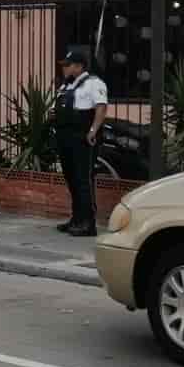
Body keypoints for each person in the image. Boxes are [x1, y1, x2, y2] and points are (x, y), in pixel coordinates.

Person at [55, 45, 108, 236]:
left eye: (68, 65)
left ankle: (88, 223)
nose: (64, 68)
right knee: (71, 178)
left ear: (79, 66)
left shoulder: (94, 83)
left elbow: (101, 108)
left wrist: (93, 130)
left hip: (82, 136)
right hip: (65, 136)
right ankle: (76, 218)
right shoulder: (66, 85)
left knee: (83, 180)